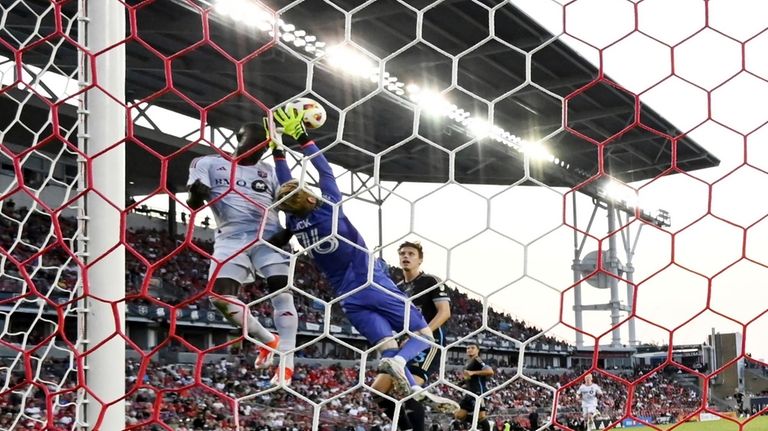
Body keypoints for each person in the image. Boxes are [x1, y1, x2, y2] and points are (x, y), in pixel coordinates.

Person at [266, 107, 438, 415]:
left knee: (387, 347)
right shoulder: (328, 209)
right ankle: (402, 366)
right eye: (307, 191)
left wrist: (278, 149)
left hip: (346, 298)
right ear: (307, 198)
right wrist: (302, 139)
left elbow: (286, 187)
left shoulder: (293, 220)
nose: (311, 191)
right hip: (371, 281)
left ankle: (412, 391)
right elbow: (325, 171)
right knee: (424, 336)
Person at [186, 121, 298, 384]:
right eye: (254, 141)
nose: (259, 149)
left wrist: (288, 232)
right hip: (231, 237)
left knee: (282, 292)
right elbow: (192, 203)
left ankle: (287, 362)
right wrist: (196, 196)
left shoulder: (268, 171)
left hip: (269, 237)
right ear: (239, 137)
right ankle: (268, 339)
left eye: (264, 145)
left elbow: (288, 203)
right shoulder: (207, 163)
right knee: (219, 298)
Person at [369, 241, 458, 429]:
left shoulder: (430, 281)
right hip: (404, 344)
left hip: (428, 343)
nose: (406, 256)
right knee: (378, 391)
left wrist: (421, 334)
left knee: (411, 391)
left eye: (411, 253)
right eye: (402, 253)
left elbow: (444, 312)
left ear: (420, 260)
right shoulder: (397, 288)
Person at [454, 344, 494, 431]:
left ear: (477, 350)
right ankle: (482, 424)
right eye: (468, 348)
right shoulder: (467, 363)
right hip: (469, 393)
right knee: (459, 415)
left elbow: (490, 371)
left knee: (481, 417)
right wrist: (461, 382)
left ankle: (485, 425)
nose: (470, 349)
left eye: (472, 348)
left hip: (478, 393)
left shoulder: (477, 360)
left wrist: (473, 373)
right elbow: (469, 377)